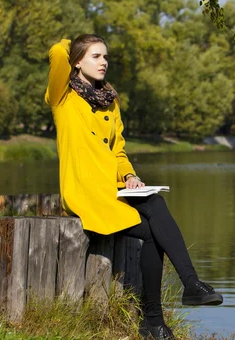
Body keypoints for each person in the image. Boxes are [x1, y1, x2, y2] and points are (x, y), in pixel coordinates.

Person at [45, 34, 223, 340]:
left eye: (106, 57)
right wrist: (70, 43)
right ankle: (156, 318)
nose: (104, 62)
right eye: (96, 56)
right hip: (86, 194)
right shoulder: (62, 97)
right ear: (76, 62)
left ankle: (186, 289)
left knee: (154, 203)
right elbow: (56, 52)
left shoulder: (110, 100)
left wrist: (129, 176)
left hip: (113, 188)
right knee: (154, 232)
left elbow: (118, 151)